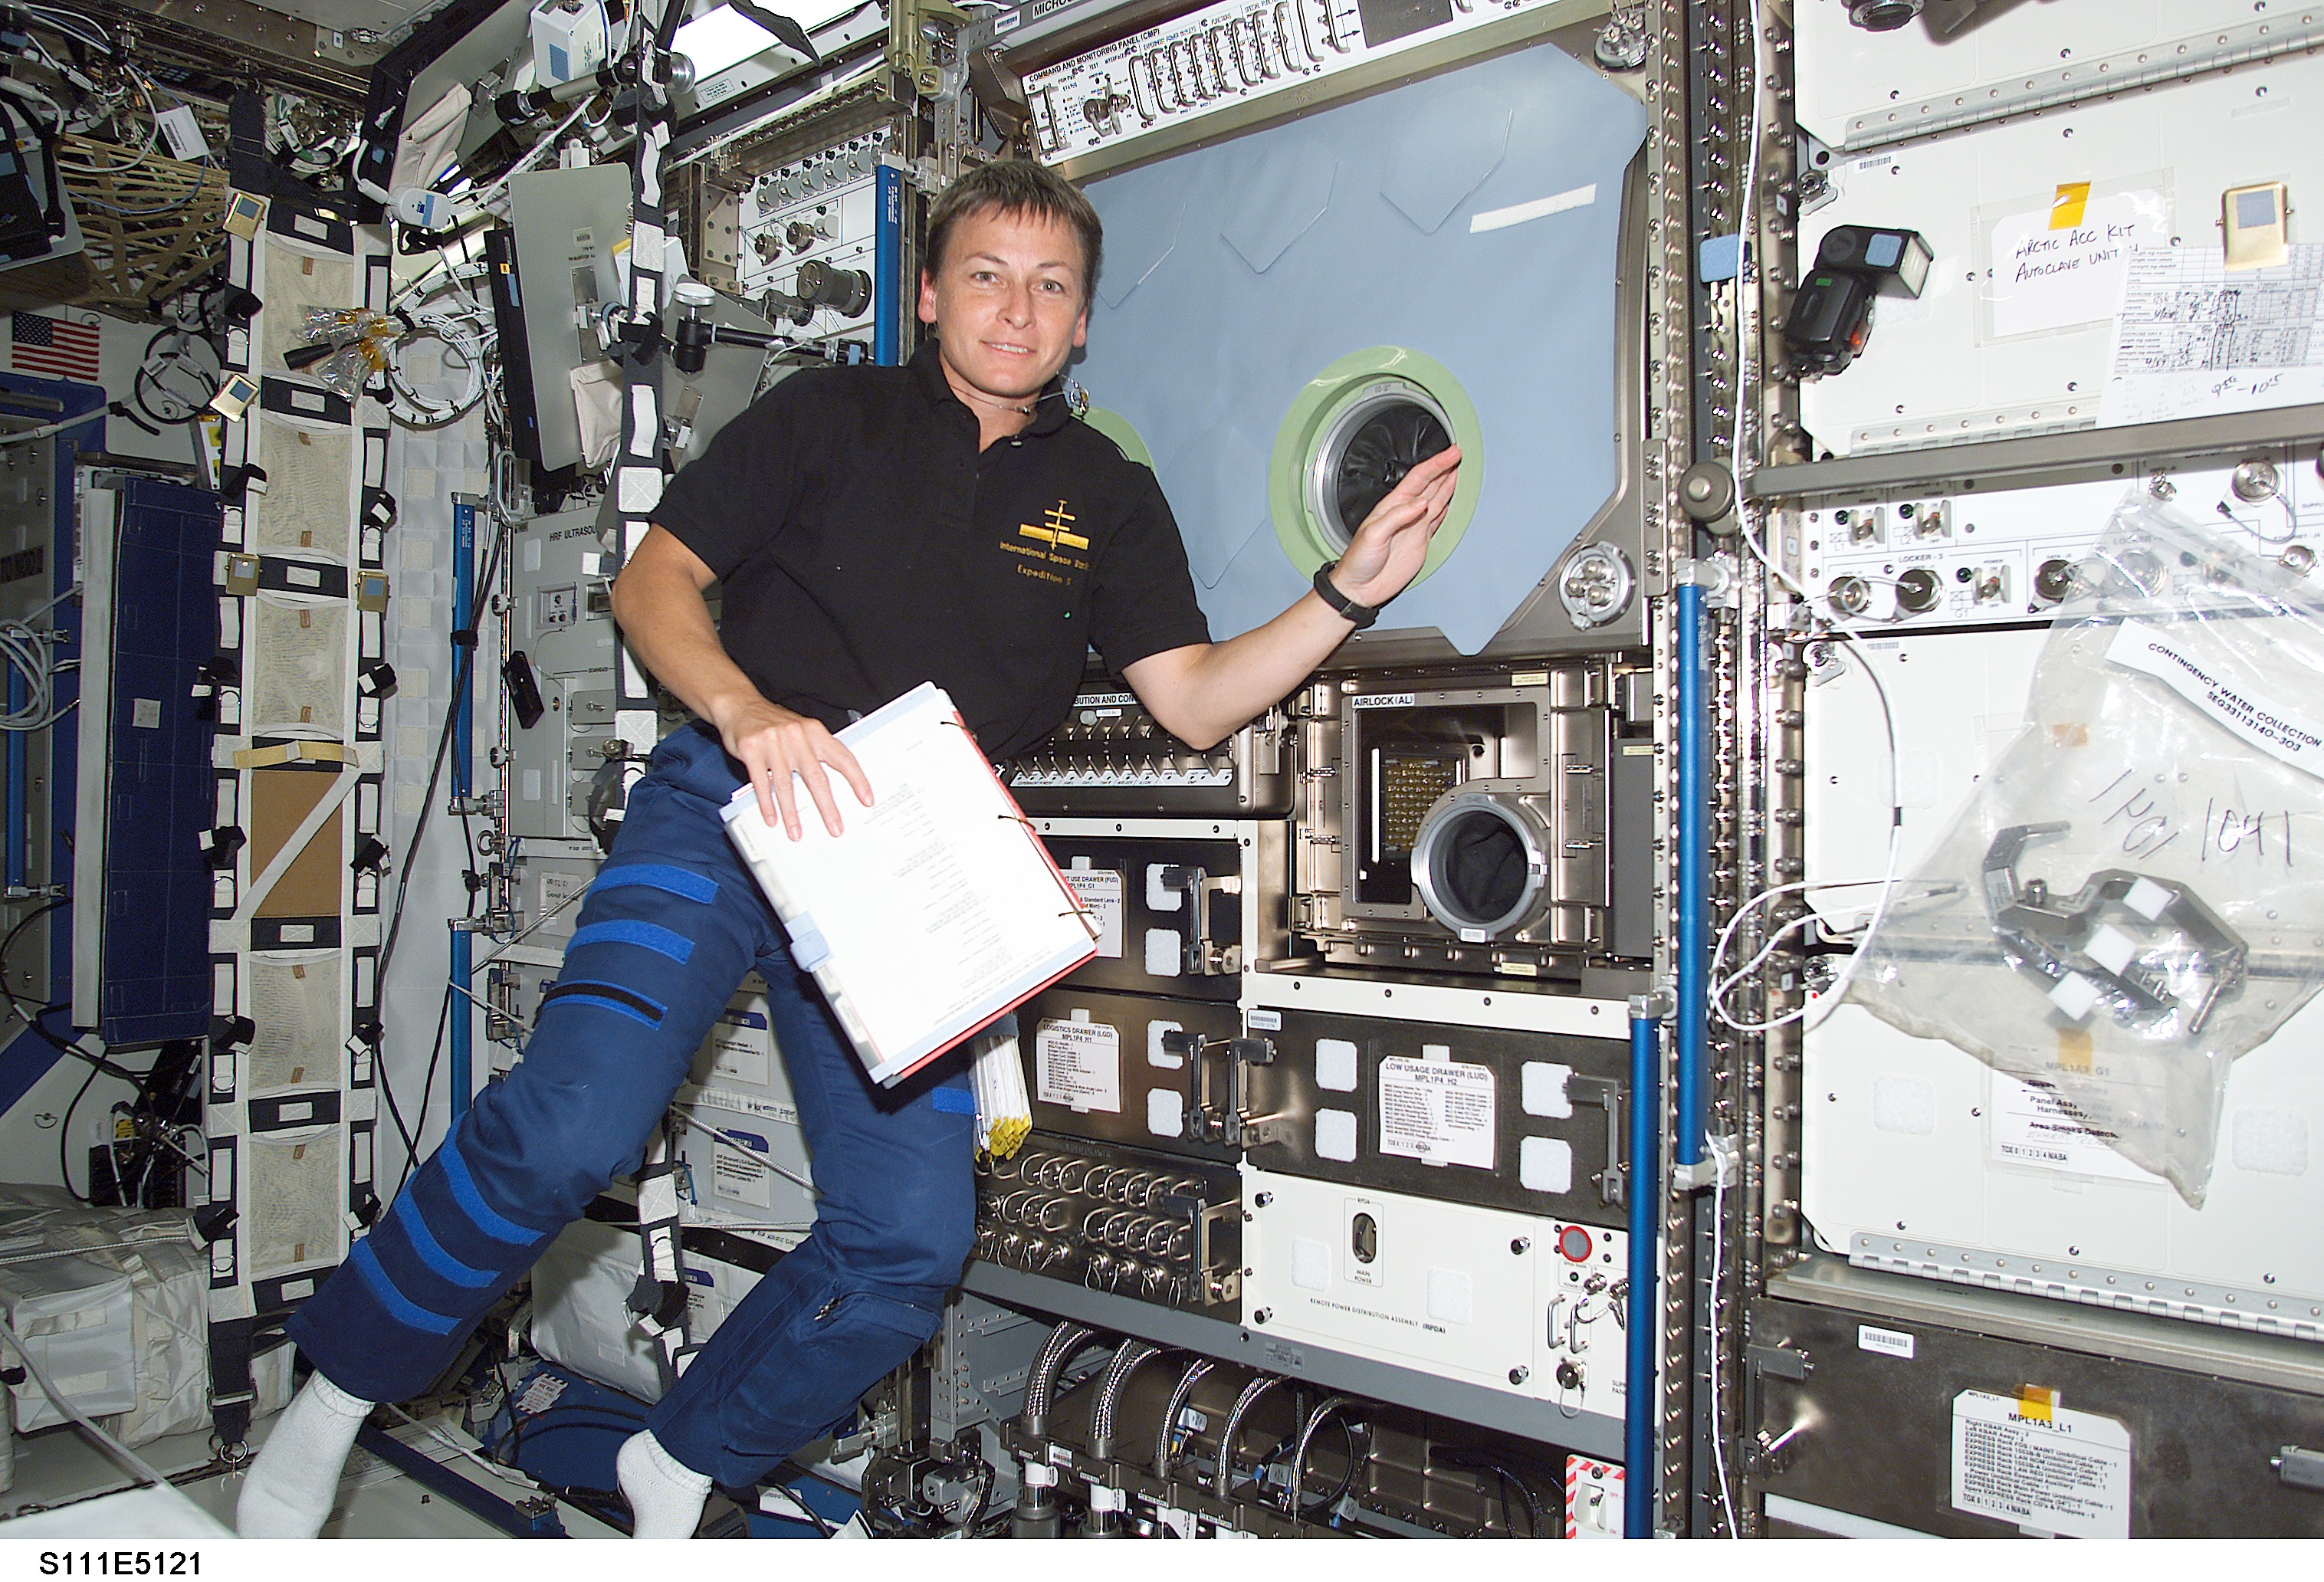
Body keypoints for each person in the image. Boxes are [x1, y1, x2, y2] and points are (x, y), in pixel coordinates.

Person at [236, 158, 1459, 1540]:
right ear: (931, 295)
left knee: (908, 1248)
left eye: (1050, 287)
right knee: (578, 1119)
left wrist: (1346, 592)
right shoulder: (827, 416)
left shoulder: (1107, 495)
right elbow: (653, 580)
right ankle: (337, 1392)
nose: (1017, 310)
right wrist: (744, 709)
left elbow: (1192, 699)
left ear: (1080, 323)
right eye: (987, 276)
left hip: (909, 872)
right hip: (734, 800)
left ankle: (683, 1460)